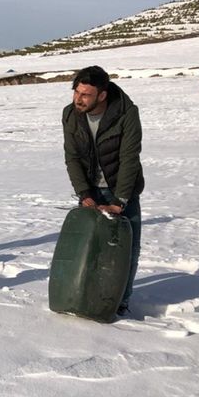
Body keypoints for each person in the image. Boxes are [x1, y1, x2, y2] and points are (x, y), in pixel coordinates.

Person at [62, 65, 144, 316]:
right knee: (88, 249)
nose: (78, 99)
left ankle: (119, 303)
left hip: (120, 191)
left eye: (86, 95)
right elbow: (72, 157)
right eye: (76, 92)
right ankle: (84, 297)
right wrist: (84, 193)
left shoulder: (126, 113)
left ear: (102, 95)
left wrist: (120, 200)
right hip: (90, 192)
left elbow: (129, 158)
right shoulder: (70, 114)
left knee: (125, 251)